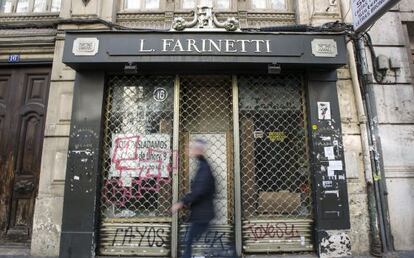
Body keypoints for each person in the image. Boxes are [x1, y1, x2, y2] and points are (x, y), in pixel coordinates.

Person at [171, 139, 216, 258]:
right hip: (202, 213)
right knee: (190, 241)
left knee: (188, 241)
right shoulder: (203, 166)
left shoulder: (204, 168)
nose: (189, 150)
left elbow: (199, 190)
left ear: (198, 150)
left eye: (191, 148)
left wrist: (182, 202)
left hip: (202, 214)